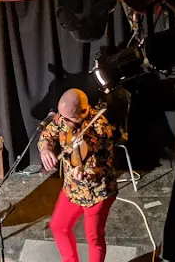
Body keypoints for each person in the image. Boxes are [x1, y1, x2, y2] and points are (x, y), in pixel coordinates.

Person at [38, 88, 126, 262]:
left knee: (94, 238)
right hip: (72, 188)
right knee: (58, 227)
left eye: (70, 118)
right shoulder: (64, 117)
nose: (64, 121)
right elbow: (48, 133)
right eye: (62, 117)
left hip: (97, 192)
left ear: (84, 111)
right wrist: (45, 147)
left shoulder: (100, 129)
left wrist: (85, 173)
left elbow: (103, 165)